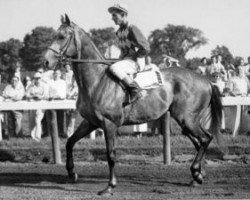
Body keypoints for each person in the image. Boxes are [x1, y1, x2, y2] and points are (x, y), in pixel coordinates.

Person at [108, 3, 150, 103]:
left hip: (137, 62)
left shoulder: (132, 28)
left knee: (114, 68)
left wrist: (134, 57)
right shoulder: (118, 32)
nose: (112, 18)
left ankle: (135, 90)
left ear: (123, 15)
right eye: (112, 15)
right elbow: (123, 51)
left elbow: (146, 48)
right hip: (127, 61)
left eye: (115, 15)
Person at [25, 72, 48, 141]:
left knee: (37, 120)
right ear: (34, 79)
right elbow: (26, 94)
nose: (37, 79)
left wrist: (40, 97)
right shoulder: (30, 85)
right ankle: (32, 136)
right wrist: (32, 96)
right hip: (32, 104)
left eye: (38, 78)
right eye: (36, 78)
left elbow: (46, 95)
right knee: (32, 120)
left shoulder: (44, 85)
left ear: (40, 78)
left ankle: (38, 137)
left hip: (41, 104)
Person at [48, 69, 67, 137]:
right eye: (55, 73)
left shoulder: (63, 82)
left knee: (60, 118)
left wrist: (59, 96)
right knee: (51, 117)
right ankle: (52, 133)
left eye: (57, 73)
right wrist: (51, 97)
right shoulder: (50, 82)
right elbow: (48, 91)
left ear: (60, 74)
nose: (56, 74)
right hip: (51, 101)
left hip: (60, 101)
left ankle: (61, 132)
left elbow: (63, 92)